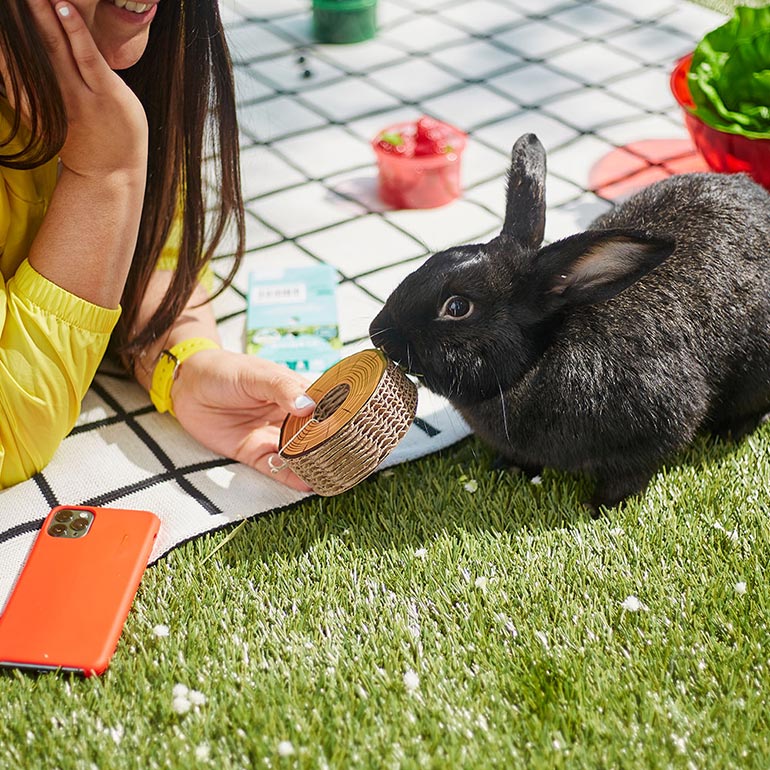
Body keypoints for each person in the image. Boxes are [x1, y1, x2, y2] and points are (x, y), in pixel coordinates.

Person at [0, 0, 316, 491]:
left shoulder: (126, 54)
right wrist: (106, 176)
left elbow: (157, 251)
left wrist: (186, 364)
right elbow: (9, 436)